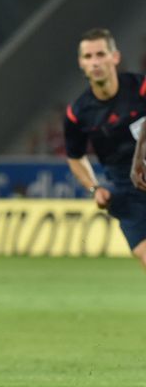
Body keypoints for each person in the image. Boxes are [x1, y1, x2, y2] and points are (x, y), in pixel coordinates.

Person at [64, 28, 146, 269]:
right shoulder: (78, 113)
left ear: (115, 57)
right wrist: (94, 187)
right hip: (126, 192)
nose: (95, 62)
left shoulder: (140, 89)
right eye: (88, 57)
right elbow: (75, 156)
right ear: (81, 63)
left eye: (100, 54)